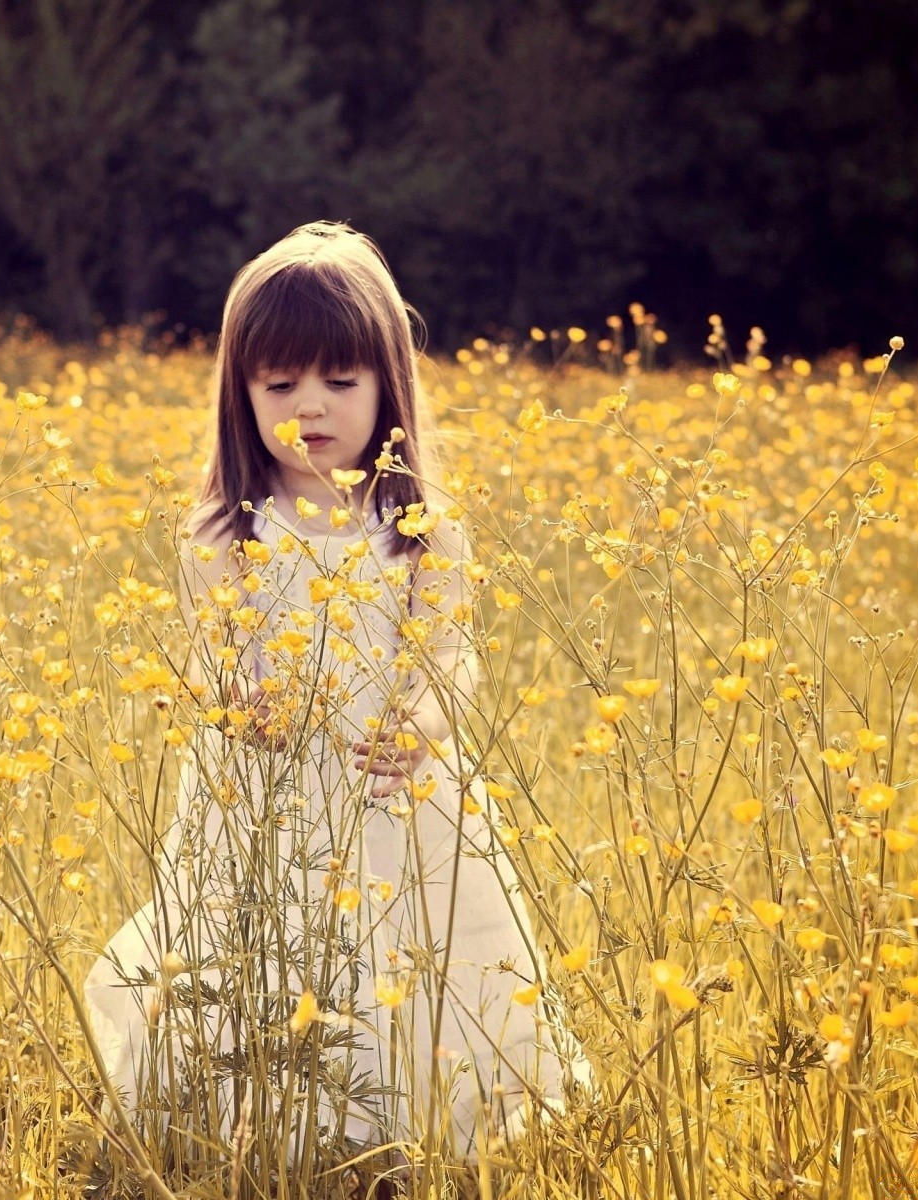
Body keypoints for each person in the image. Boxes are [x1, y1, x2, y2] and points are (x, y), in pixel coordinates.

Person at [80, 221, 591, 1192]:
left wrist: (420, 726)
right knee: (262, 952)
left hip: (397, 791)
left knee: (415, 957)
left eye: (339, 383)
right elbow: (216, 654)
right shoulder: (231, 528)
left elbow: (451, 658)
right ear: (242, 393)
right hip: (264, 793)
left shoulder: (418, 528)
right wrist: (244, 698)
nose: (308, 407)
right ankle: (266, 1120)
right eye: (279, 386)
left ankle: (414, 1124)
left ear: (388, 386)